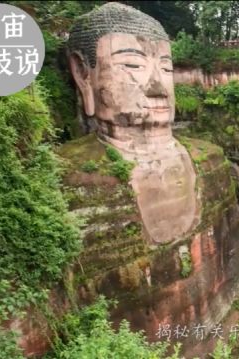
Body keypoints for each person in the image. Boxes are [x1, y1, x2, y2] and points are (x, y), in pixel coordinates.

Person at [67, 2, 199, 245]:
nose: (157, 87)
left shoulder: (208, 159)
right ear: (83, 74)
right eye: (132, 65)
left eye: (166, 68)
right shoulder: (72, 182)